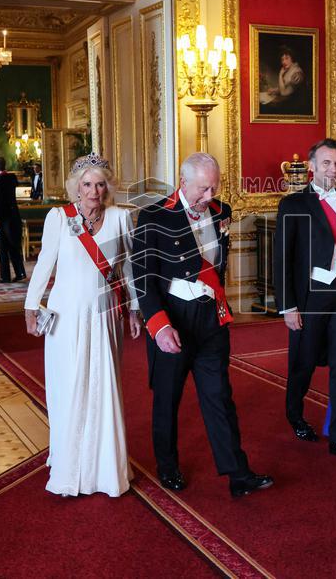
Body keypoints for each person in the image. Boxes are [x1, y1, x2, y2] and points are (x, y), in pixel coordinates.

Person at [132, 152, 273, 498]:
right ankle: (168, 467)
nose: (209, 197)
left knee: (219, 398)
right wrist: (159, 327)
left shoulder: (221, 212)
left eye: (214, 187)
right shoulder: (153, 216)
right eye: (202, 189)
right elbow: (143, 277)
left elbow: (219, 267)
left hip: (210, 320)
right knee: (167, 399)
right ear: (182, 183)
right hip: (172, 319)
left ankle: (238, 473)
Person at [23, 154, 142, 497]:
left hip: (105, 314)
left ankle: (106, 470)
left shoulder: (120, 217)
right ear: (76, 187)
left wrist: (133, 308)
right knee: (69, 387)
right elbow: (45, 261)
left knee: (104, 387)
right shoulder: (59, 217)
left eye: (100, 184)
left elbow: (129, 268)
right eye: (87, 184)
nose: (93, 191)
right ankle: (68, 463)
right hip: (66, 315)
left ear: (108, 187)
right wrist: (32, 306)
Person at [273, 138, 336, 465]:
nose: (333, 169)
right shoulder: (293, 204)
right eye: (326, 163)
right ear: (312, 167)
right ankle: (295, 415)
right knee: (303, 363)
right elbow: (282, 258)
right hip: (310, 297)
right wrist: (287, 306)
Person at [0, 156, 27, 283]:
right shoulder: (11, 178)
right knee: (14, 247)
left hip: (1, 220)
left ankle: (5, 277)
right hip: (13, 217)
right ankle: (20, 272)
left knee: (3, 249)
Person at [262, 46, 308, 114]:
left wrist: (280, 75)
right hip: (288, 103)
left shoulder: (297, 73)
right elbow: (285, 86)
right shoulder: (289, 70)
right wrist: (274, 90)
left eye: (287, 58)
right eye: (282, 59)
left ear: (292, 59)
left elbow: (284, 93)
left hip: (295, 107)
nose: (284, 62)